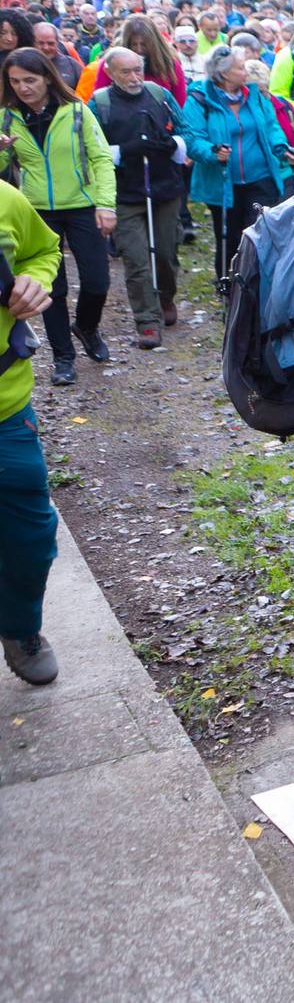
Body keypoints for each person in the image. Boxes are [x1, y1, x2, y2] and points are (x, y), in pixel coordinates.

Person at [0, 49, 116, 386]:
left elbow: (101, 160)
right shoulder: (6, 117)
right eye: (15, 81)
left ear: (48, 77)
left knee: (97, 282)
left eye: (30, 80)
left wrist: (105, 204)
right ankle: (63, 358)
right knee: (50, 287)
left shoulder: (77, 111)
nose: (23, 88)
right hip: (36, 209)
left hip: (81, 205)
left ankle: (87, 326)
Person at [0, 179, 63, 686]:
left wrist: (33, 278)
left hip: (6, 409)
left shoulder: (5, 199)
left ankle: (20, 627)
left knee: (31, 536)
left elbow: (45, 248)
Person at [90, 48, 186, 348]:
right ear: (111, 73)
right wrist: (124, 151)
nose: (134, 78)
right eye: (126, 72)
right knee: (136, 259)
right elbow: (92, 147)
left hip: (164, 187)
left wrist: (173, 144)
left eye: (138, 71)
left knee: (167, 253)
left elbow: (185, 130)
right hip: (125, 192)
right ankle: (146, 320)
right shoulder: (100, 103)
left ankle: (166, 297)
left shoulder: (159, 95)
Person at [184, 43, 294, 277]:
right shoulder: (199, 98)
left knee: (260, 233)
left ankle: (257, 285)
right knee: (230, 235)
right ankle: (229, 284)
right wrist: (212, 151)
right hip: (223, 181)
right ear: (224, 73)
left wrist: (281, 147)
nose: (246, 71)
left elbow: (270, 126)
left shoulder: (254, 95)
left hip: (261, 178)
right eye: (240, 68)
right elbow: (193, 137)